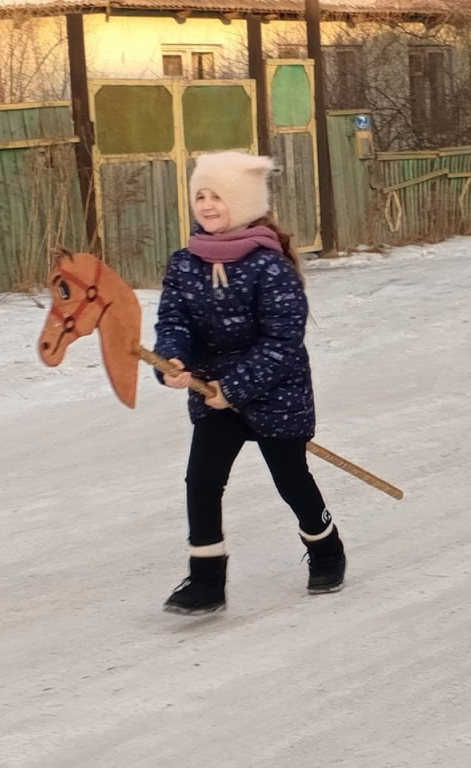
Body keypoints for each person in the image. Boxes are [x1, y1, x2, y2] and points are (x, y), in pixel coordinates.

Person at [154, 150, 346, 615]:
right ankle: (206, 582)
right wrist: (173, 358)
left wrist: (234, 388)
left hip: (275, 394)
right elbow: (173, 319)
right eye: (200, 195)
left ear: (240, 204)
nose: (206, 204)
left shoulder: (269, 266)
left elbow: (283, 341)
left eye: (217, 196)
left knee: (291, 480)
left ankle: (326, 550)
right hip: (211, 393)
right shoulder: (185, 263)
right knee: (201, 480)